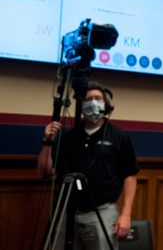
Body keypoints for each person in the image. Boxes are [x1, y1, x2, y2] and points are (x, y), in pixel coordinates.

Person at [37, 81, 139, 250]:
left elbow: (130, 175)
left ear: (106, 104)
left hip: (103, 212)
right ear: (80, 105)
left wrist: (126, 214)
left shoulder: (119, 136)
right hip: (67, 213)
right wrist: (48, 142)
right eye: (88, 99)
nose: (93, 102)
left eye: (98, 98)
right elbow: (44, 172)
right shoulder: (68, 137)